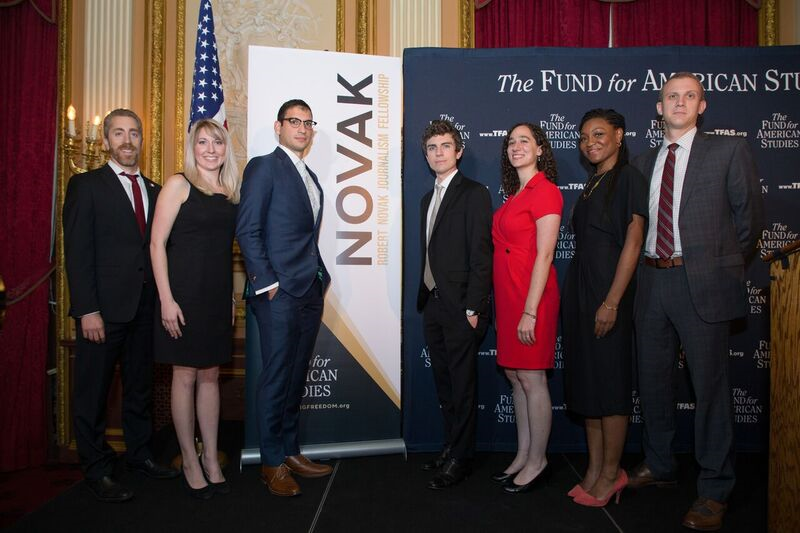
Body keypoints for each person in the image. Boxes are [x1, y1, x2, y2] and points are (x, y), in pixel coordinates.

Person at [628, 72, 763, 531]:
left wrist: (713, 266)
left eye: (690, 96)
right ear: (659, 107)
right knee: (653, 382)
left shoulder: (728, 151)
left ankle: (715, 488)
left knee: (710, 389)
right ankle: (660, 462)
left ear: (702, 107)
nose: (680, 102)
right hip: (651, 282)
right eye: (672, 96)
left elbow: (749, 223)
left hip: (702, 283)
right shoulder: (642, 161)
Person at [63, 108, 178, 503]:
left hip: (145, 310)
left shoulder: (156, 190)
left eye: (134, 133)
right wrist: (87, 310)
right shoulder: (86, 185)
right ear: (106, 140)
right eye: (118, 133)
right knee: (92, 393)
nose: (127, 140)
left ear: (142, 139)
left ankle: (140, 455)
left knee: (139, 388)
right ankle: (96, 469)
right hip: (102, 312)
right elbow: (77, 253)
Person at [235, 99, 332, 497]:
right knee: (277, 376)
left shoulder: (310, 175)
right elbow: (247, 229)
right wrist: (267, 282)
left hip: (309, 289)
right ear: (278, 127)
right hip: (278, 293)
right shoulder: (263, 167)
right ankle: (271, 461)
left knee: (295, 375)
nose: (303, 128)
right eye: (295, 121)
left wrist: (319, 278)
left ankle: (290, 451)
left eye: (308, 123)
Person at [150, 118, 240, 499]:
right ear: (192, 147)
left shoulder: (230, 193)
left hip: (216, 298)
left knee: (211, 376)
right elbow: (156, 244)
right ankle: (189, 459)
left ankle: (211, 458)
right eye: (203, 142)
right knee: (185, 375)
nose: (210, 149)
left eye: (217, 142)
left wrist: (231, 297)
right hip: (182, 297)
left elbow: (225, 253)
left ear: (225, 149)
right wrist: (166, 300)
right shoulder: (178, 184)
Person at [561, 109, 647, 507]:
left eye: (598, 134)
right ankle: (595, 470)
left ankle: (613, 474)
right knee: (589, 385)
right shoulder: (592, 183)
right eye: (583, 137)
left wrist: (612, 301)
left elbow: (634, 242)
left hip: (608, 293)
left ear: (619, 135)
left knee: (610, 385)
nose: (589, 142)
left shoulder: (628, 178)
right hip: (581, 292)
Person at [416, 119, 493, 490]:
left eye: (445, 146)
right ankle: (451, 447)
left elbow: (481, 254)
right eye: (432, 148)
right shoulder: (426, 199)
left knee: (462, 387)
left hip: (462, 307)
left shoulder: (474, 193)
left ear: (459, 151)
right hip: (432, 303)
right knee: (444, 383)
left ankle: (461, 459)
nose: (438, 153)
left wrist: (474, 307)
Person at [491, 123, 562, 494]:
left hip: (532, 298)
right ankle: (523, 454)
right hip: (508, 298)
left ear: (540, 149)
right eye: (511, 142)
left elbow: (545, 254)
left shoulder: (545, 191)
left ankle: (538, 461)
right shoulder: (514, 195)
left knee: (532, 379)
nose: (516, 146)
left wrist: (530, 310)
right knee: (516, 377)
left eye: (525, 141)